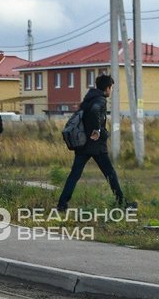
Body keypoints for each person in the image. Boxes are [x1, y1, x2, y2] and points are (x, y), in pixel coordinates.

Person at [57, 75, 137, 212]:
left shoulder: (88, 99)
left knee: (74, 175)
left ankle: (62, 204)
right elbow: (95, 111)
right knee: (110, 173)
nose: (111, 91)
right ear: (107, 88)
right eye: (111, 88)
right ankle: (122, 203)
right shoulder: (100, 100)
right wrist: (98, 130)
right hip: (96, 145)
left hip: (82, 144)